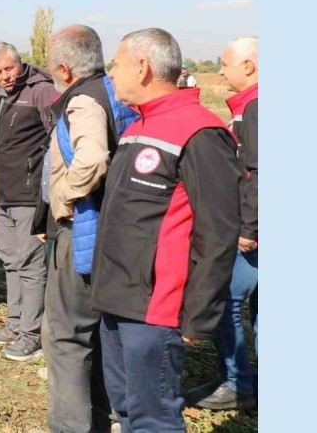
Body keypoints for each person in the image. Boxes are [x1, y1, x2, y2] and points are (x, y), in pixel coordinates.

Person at [92, 28, 240, 432]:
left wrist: (199, 315)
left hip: (155, 309)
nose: (111, 74)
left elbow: (219, 232)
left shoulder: (200, 132)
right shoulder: (137, 126)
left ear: (141, 68)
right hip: (116, 298)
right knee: (125, 408)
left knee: (153, 417)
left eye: (116, 65)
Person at [37, 25, 137, 433]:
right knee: (100, 333)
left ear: (63, 67)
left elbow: (93, 158)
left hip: (83, 230)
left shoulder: (82, 101)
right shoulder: (117, 91)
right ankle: (103, 413)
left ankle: (71, 426)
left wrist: (62, 197)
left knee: (66, 336)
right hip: (118, 231)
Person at [188, 36, 259, 411]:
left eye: (225, 64)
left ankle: (238, 383)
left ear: (248, 66)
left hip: (254, 232)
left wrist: (249, 227)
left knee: (225, 298)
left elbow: (259, 172)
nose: (220, 71)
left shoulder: (255, 108)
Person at [0, 42, 54, 362]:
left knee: (31, 264)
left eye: (9, 69)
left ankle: (32, 335)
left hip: (29, 192)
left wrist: (48, 191)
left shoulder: (42, 91)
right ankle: (14, 323)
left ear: (20, 63)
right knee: (10, 258)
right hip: (4, 191)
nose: (5, 76)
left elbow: (59, 138)